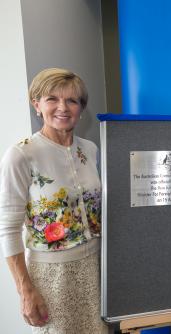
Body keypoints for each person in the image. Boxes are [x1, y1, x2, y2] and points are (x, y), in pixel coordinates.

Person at [0, 68, 107, 333]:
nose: (63, 107)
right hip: (52, 279)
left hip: (96, 269)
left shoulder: (91, 149)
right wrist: (25, 290)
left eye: (72, 100)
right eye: (52, 99)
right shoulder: (21, 154)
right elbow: (8, 228)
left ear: (81, 108)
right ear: (37, 104)